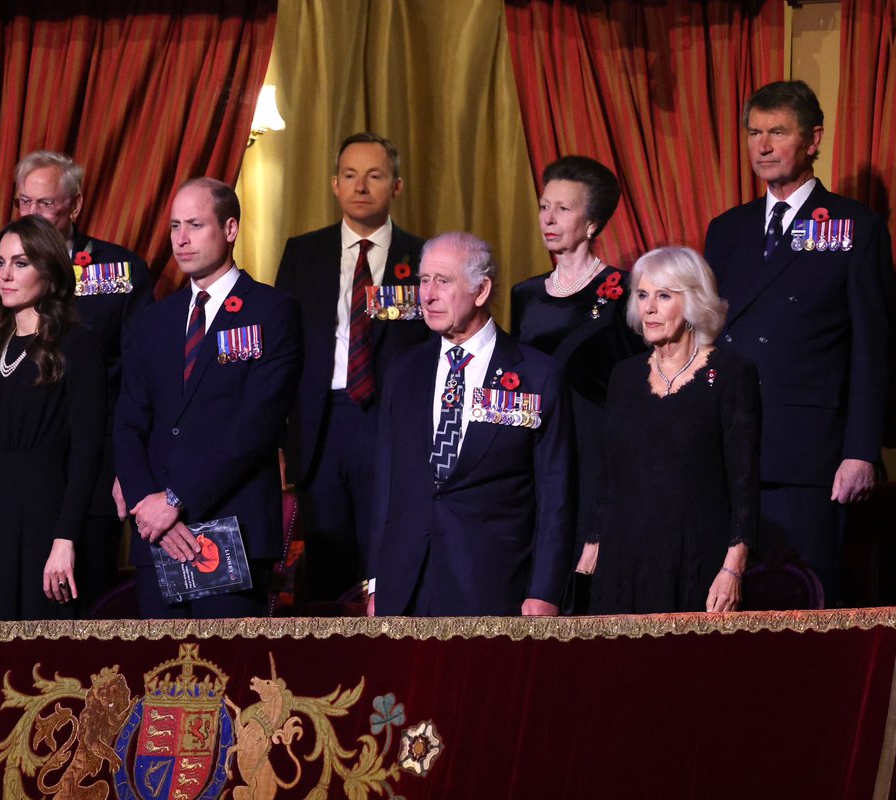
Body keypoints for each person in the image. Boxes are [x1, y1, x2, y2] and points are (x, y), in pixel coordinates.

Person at [704, 80, 893, 605]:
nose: (761, 146)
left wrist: (859, 450)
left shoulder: (855, 227)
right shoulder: (727, 230)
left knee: (800, 608)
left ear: (813, 140)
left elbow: (871, 350)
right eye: (754, 133)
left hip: (808, 452)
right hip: (728, 446)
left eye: (777, 132)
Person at [0, 150, 151, 613]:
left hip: (76, 478)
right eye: (23, 203)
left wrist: (128, 471)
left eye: (45, 204)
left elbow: (137, 378)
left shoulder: (117, 273)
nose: (32, 214)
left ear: (74, 205)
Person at [114, 178, 303, 619]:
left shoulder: (272, 311)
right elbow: (127, 422)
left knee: (224, 679)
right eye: (176, 225)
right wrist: (147, 505)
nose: (181, 239)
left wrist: (177, 500)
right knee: (159, 679)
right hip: (155, 532)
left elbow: (255, 425)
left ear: (231, 228)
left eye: (196, 225)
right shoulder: (153, 321)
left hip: (231, 526)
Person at [367, 232, 573, 617]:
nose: (427, 295)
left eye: (443, 281)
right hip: (405, 585)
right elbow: (386, 483)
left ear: (481, 291)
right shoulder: (403, 370)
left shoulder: (537, 375)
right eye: (423, 280)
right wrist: (378, 580)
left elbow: (555, 494)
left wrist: (545, 589)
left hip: (493, 584)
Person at [275, 132, 428, 602]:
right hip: (321, 425)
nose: (361, 187)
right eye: (350, 176)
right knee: (325, 560)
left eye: (375, 176)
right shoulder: (304, 252)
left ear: (397, 186)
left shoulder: (422, 256)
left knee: (387, 551)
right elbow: (285, 347)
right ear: (335, 185)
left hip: (390, 423)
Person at [0, 215, 107, 622]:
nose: (6, 275)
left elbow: (88, 450)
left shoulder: (77, 344)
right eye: (0, 263)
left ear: (49, 272)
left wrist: (65, 538)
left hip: (41, 518)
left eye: (21, 263)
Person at [576, 246, 760, 614]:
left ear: (693, 302)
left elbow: (744, 481)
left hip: (696, 559)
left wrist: (733, 567)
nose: (649, 308)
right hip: (623, 558)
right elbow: (609, 475)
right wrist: (592, 545)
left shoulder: (729, 374)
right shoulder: (624, 376)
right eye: (642, 295)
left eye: (663, 296)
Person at [511, 156, 644, 553]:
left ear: (592, 224)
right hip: (536, 446)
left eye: (563, 209)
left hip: (597, 451)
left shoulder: (625, 288)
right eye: (544, 206)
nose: (548, 219)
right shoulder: (525, 294)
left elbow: (638, 384)